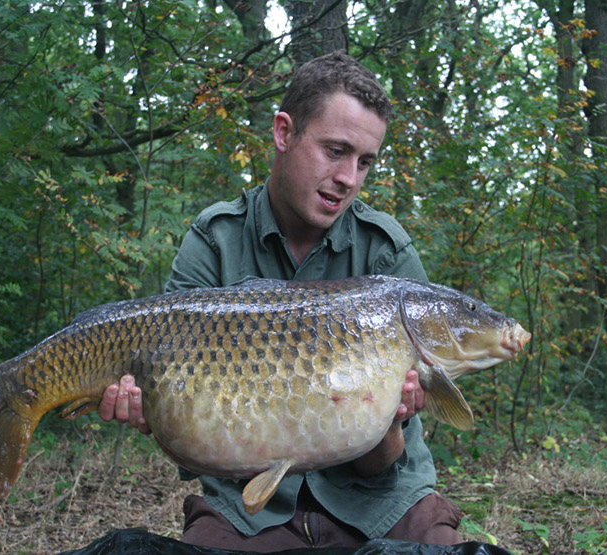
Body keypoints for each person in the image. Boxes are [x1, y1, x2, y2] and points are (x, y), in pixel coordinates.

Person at [98, 51, 463, 550]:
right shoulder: (215, 240)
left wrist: (388, 418)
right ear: (283, 133)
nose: (349, 178)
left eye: (365, 161)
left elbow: (385, 461)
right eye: (336, 150)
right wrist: (156, 411)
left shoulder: (387, 252)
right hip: (249, 508)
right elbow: (191, 441)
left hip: (378, 500)